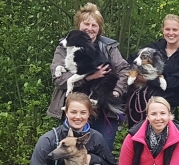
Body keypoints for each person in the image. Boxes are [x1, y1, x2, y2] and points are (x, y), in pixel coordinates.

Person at [47, 2, 130, 151]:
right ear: (78, 25)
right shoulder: (63, 47)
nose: (90, 29)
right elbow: (58, 79)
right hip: (73, 113)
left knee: (101, 157)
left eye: (94, 25)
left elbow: (124, 70)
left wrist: (116, 92)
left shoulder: (109, 47)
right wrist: (87, 77)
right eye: (86, 24)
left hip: (102, 112)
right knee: (69, 155)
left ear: (99, 29)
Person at [126, 14, 179, 127]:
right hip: (141, 104)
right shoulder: (153, 47)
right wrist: (136, 73)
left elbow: (178, 81)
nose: (171, 33)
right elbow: (131, 60)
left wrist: (147, 81)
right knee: (138, 140)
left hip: (168, 106)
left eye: (175, 29)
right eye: (167, 29)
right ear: (162, 30)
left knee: (167, 141)